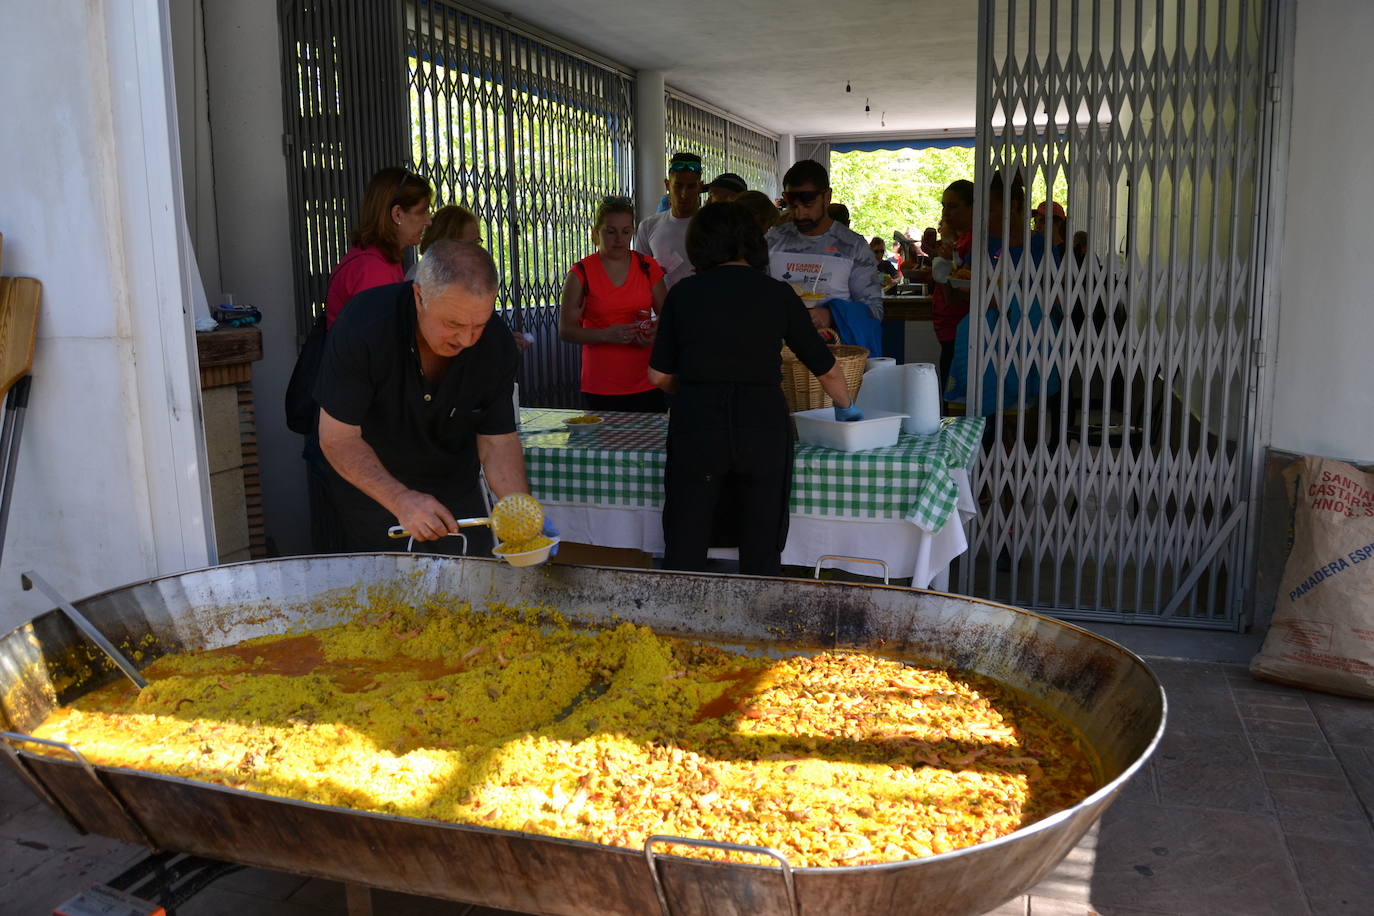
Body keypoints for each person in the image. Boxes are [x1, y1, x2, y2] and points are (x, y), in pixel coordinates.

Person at [648, 203, 861, 577]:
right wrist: (847, 407)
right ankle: (759, 626)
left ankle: (678, 625)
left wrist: (693, 385)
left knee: (687, 535)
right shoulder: (778, 294)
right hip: (762, 425)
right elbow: (825, 368)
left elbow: (657, 376)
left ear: (700, 244)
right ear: (752, 242)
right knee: (761, 542)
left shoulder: (683, 294)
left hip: (698, 422)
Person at [314, 240, 544, 555]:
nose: (466, 339)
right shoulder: (365, 326)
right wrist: (400, 499)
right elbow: (338, 439)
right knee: (389, 597)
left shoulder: (495, 345)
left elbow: (497, 441)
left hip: (455, 487)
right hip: (375, 489)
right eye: (453, 324)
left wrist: (522, 515)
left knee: (472, 593)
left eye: (479, 324)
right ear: (419, 295)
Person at [947, 172, 1060, 417]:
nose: (983, 218)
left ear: (1012, 206)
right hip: (984, 342)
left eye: (989, 210)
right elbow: (960, 293)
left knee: (1022, 424)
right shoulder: (982, 245)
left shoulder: (1041, 246)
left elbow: (1057, 298)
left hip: (1027, 342)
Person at [558, 197, 668, 412]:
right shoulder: (581, 273)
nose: (619, 239)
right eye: (611, 232)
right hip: (601, 385)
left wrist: (654, 331)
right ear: (595, 233)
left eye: (626, 232)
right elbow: (566, 331)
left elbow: (667, 316)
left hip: (646, 380)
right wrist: (606, 335)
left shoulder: (647, 267)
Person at [766, 160, 883, 351]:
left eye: (808, 203)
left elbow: (874, 312)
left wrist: (831, 316)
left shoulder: (853, 247)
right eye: (792, 204)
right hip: (780, 360)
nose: (799, 213)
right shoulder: (771, 242)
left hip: (834, 360)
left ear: (827, 196)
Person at [325, 168, 432, 328]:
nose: (428, 221)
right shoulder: (373, 270)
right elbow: (380, 343)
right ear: (397, 214)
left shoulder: (381, 258)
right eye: (422, 212)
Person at [633, 152, 704, 289]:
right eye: (678, 186)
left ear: (700, 187)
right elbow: (640, 277)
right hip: (663, 309)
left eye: (691, 187)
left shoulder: (713, 226)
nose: (684, 194)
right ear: (667, 184)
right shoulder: (648, 226)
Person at [932, 180, 975, 396]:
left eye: (953, 206)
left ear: (972, 208)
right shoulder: (959, 241)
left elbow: (955, 295)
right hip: (949, 329)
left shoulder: (972, 241)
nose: (946, 213)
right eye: (944, 206)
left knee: (955, 399)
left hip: (961, 330)